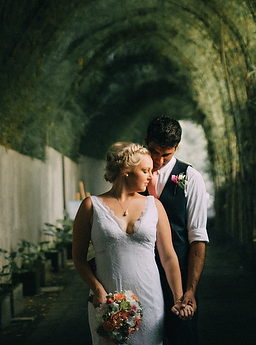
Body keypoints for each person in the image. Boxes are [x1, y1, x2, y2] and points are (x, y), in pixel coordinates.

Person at [73, 142, 192, 344]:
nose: (150, 176)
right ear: (126, 171)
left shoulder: (155, 206)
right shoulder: (90, 206)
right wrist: (97, 289)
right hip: (107, 301)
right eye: (145, 170)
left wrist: (178, 298)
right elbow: (78, 257)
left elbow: (169, 257)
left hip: (150, 299)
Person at [144, 117, 208, 345]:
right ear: (145, 142)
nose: (158, 160)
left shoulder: (191, 178)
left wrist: (190, 290)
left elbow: (197, 239)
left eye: (166, 154)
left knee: (183, 337)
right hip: (141, 278)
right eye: (153, 152)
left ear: (176, 148)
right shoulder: (132, 177)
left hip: (178, 279)